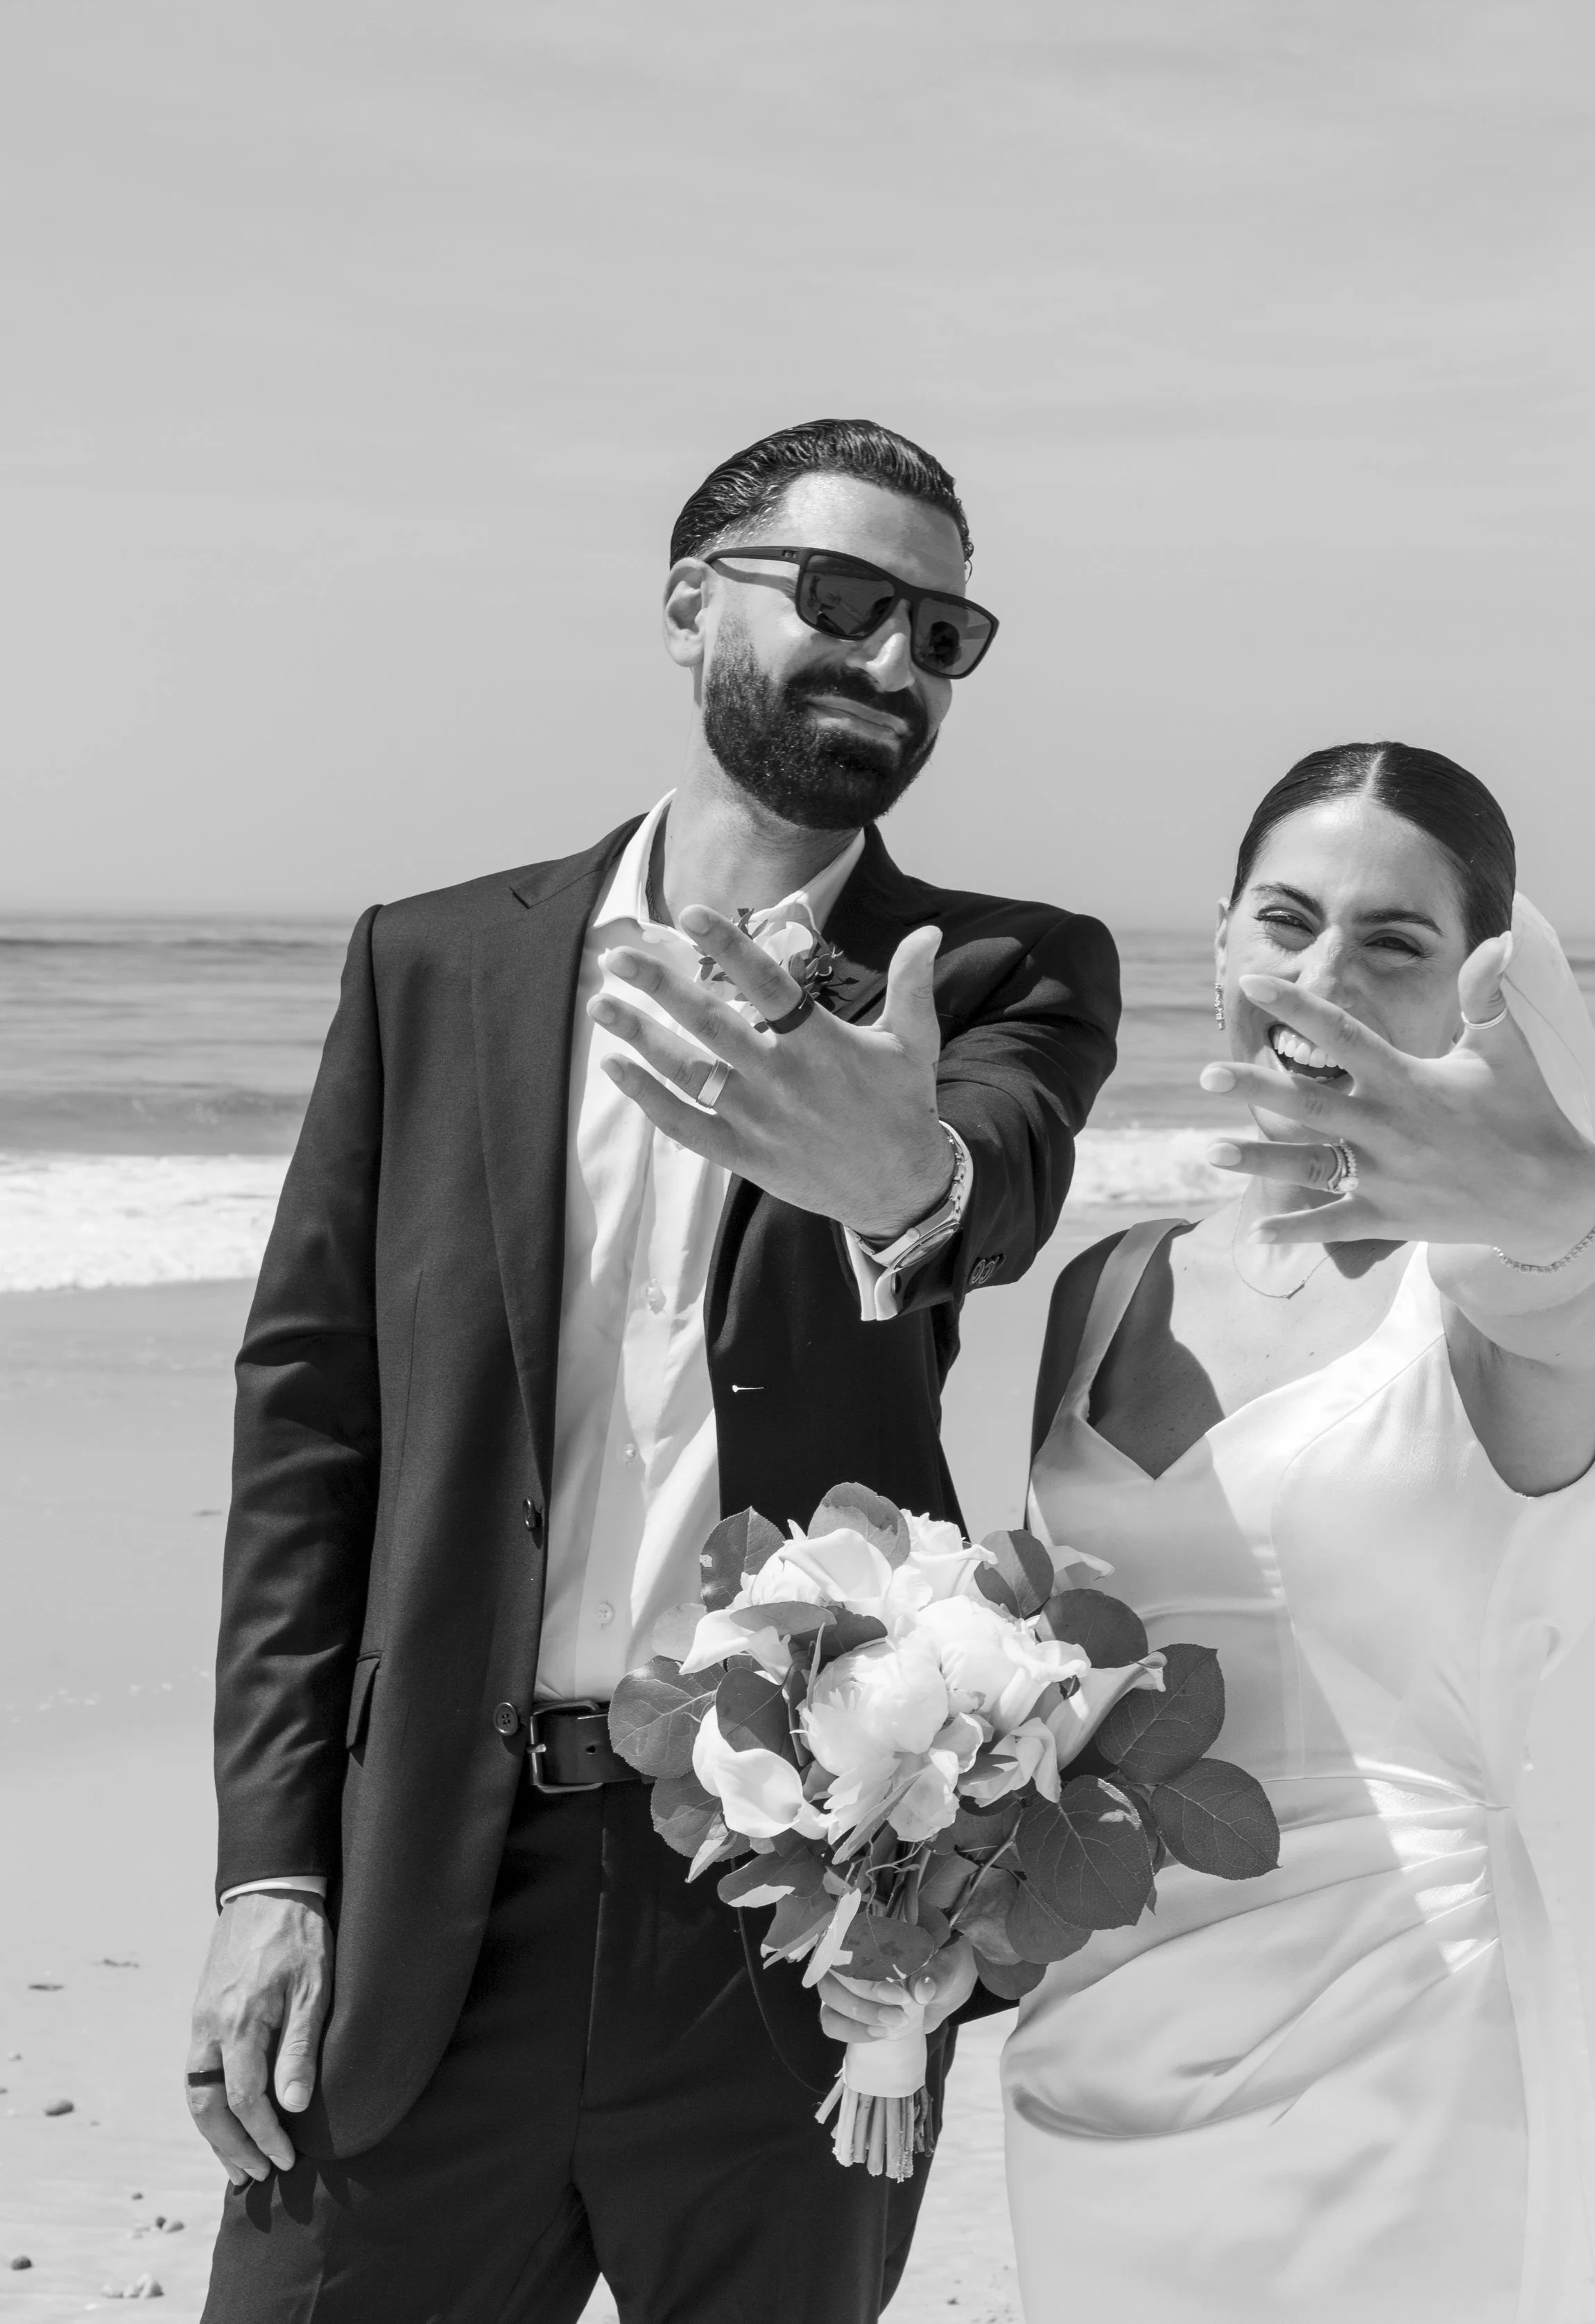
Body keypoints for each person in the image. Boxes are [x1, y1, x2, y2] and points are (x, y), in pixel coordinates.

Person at [183, 417, 1120, 2324]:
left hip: (800, 1912)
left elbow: (989, 1168)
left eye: (943, 633)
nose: (890, 661)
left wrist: (899, 1174)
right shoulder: (435, 966)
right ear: (692, 599)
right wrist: (266, 1873)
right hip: (433, 1884)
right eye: (844, 601)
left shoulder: (1001, 971)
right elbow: (311, 1432)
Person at [1002, 741, 1595, 2323]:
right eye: (1284, 920)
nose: (1318, 973)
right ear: (1216, 942)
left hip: (1401, 2032)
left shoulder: (1486, 1294)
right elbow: (1046, 1677)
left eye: (1390, 940)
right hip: (1095, 2032)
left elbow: (1570, 1282)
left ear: (1477, 989)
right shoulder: (1105, 1284)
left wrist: (1552, 1203)